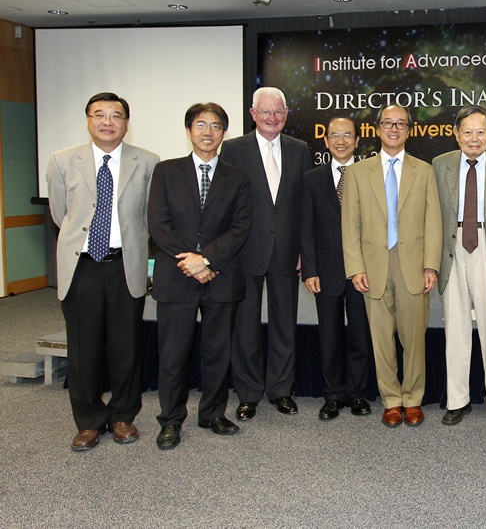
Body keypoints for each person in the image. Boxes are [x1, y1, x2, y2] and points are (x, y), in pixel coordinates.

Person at [46, 92, 159, 451]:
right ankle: (89, 420)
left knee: (127, 346)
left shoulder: (148, 162)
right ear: (88, 120)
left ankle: (123, 415)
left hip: (125, 265)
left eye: (116, 115)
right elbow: (60, 213)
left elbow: (148, 219)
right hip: (82, 267)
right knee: (84, 347)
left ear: (127, 122)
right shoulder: (63, 161)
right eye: (99, 115)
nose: (107, 121)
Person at [149, 103, 252, 450]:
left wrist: (206, 260)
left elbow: (240, 229)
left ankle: (212, 414)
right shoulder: (165, 172)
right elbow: (158, 224)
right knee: (173, 354)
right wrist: (190, 262)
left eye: (216, 126)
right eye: (200, 125)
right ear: (189, 130)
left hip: (220, 276)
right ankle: (171, 420)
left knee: (216, 352)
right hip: (176, 276)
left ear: (224, 133)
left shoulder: (237, 178)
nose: (208, 132)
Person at [341, 105, 442, 427]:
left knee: (414, 339)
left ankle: (412, 399)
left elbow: (434, 222)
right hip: (373, 267)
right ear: (377, 129)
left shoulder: (424, 171)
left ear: (410, 130)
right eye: (388, 123)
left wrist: (431, 265)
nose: (394, 129)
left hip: (412, 265)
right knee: (381, 339)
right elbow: (350, 225)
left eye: (401, 124)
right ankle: (391, 400)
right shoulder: (357, 172)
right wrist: (355, 267)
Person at [221, 86, 311, 420]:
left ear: (286, 115)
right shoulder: (232, 149)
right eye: (266, 112)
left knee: (284, 323)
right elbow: (225, 203)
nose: (272, 118)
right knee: (245, 325)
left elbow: (303, 204)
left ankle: (281, 390)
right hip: (245, 251)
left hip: (287, 250)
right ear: (253, 114)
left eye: (278, 112)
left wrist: (304, 249)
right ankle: (248, 393)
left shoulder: (300, 149)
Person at [433, 106, 486, 428]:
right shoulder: (439, 166)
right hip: (451, 249)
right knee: (455, 329)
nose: (474, 138)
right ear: (456, 134)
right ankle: (458, 400)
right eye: (467, 132)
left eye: (480, 131)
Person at [300, 117, 373, 420]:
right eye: (334, 136)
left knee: (359, 334)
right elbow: (306, 227)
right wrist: (310, 270)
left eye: (347, 135)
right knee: (328, 335)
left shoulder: (370, 176)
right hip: (325, 271)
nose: (341, 141)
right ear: (326, 141)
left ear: (357, 140)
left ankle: (355, 393)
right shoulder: (311, 179)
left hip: (362, 271)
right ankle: (332, 395)